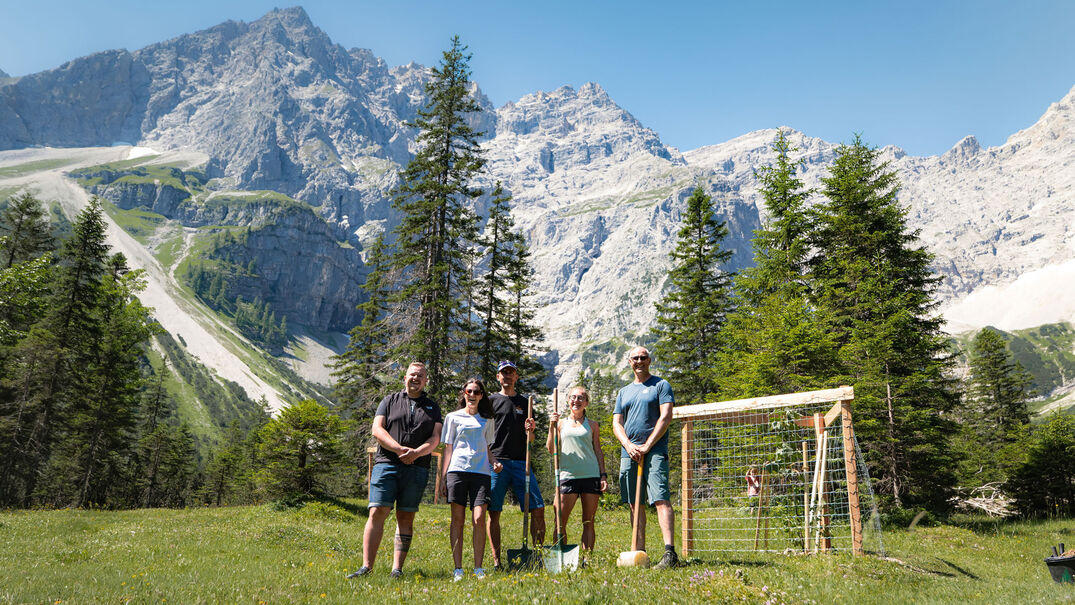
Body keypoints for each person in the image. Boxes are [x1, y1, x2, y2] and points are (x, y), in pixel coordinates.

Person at [348, 362, 442, 579]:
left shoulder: (432, 407)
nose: (416, 378)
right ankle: (366, 567)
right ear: (405, 378)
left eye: (420, 375)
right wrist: (399, 449)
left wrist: (416, 453)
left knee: (406, 516)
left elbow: (435, 438)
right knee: (377, 511)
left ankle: (397, 569)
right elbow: (377, 429)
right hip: (387, 463)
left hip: (417, 467)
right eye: (412, 375)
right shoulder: (389, 401)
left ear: (426, 380)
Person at [612, 346, 679, 569]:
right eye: (635, 358)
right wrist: (629, 445)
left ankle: (670, 554)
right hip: (629, 452)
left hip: (655, 450)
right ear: (629, 362)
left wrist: (648, 445)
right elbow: (616, 423)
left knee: (660, 498)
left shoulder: (661, 385)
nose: (639, 361)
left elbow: (666, 416)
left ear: (649, 360)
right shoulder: (623, 392)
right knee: (634, 503)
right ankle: (639, 552)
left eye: (643, 357)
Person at [487, 360, 546, 570]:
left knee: (538, 509)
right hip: (497, 462)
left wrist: (531, 430)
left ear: (516, 377)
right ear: (498, 377)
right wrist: (490, 459)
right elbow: (484, 433)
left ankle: (538, 557)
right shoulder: (491, 401)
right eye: (504, 373)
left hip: (523, 462)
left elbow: (531, 441)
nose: (508, 376)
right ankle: (496, 561)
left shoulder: (525, 403)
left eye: (511, 373)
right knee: (494, 511)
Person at [442, 378, 503, 581]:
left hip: (481, 473)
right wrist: (443, 477)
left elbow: (487, 447)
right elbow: (448, 448)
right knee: (457, 520)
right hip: (457, 471)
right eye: (469, 391)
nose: (472, 395)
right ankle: (458, 568)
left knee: (478, 518)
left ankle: (478, 567)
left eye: (477, 392)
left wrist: (494, 462)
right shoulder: (452, 418)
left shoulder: (488, 420)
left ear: (481, 396)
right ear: (464, 393)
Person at [546, 386, 607, 561]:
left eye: (580, 398)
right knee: (559, 521)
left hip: (590, 475)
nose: (576, 401)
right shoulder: (560, 423)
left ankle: (587, 560)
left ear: (586, 402)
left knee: (588, 521)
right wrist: (551, 425)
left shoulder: (593, 425)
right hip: (567, 476)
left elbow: (598, 450)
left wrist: (603, 475)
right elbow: (551, 449)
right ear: (568, 401)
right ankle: (561, 558)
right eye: (573, 397)